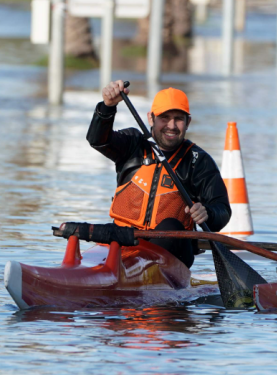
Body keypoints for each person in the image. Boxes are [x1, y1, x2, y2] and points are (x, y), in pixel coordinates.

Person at [87, 80, 230, 267]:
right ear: (151, 118)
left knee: (170, 226)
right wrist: (107, 107)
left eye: (178, 118)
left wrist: (208, 213)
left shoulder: (199, 161)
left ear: (188, 122)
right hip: (124, 244)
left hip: (174, 254)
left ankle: (138, 269)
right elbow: (97, 140)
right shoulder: (132, 143)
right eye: (164, 117)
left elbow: (223, 210)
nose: (171, 125)